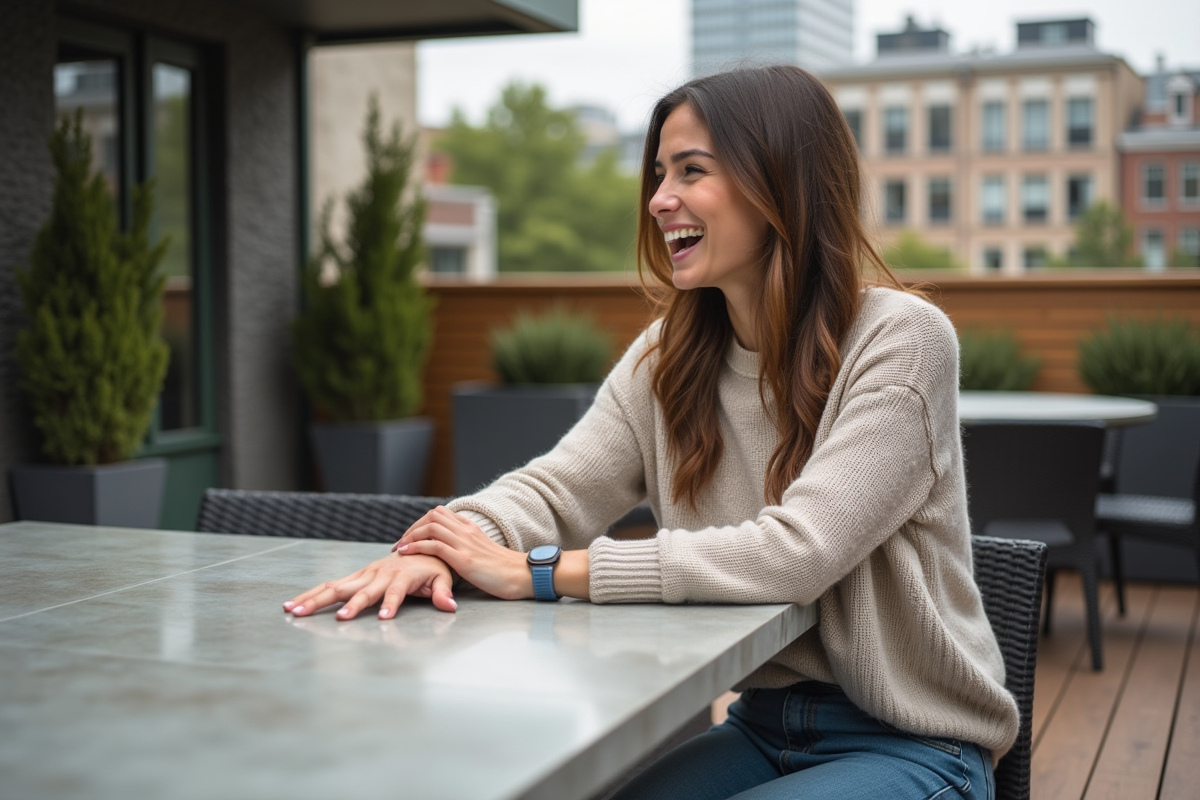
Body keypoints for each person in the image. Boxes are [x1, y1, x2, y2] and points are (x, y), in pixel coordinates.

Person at [284, 65, 1017, 800]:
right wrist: (446, 546)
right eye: (660, 173)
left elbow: (800, 552)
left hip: (916, 746)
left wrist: (539, 571)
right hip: (760, 728)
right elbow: (556, 486)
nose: (660, 199)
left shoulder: (903, 340)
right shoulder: (672, 356)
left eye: (691, 171)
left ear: (780, 183)